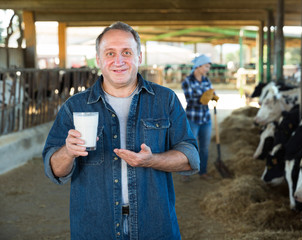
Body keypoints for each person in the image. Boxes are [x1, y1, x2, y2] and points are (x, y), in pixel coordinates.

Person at [42, 21, 200, 240]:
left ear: (139, 57)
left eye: (126, 52)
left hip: (154, 225)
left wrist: (151, 160)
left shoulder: (165, 100)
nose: (118, 61)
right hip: (95, 228)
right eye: (109, 53)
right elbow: (54, 169)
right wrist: (68, 151)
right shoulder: (75, 106)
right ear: (98, 60)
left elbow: (190, 157)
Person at [181, 54, 218, 181]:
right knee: (190, 146)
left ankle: (203, 172)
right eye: (206, 66)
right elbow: (190, 100)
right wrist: (204, 98)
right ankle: (186, 172)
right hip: (192, 118)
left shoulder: (206, 80)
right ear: (199, 66)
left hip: (205, 119)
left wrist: (213, 97)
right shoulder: (187, 81)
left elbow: (212, 93)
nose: (208, 69)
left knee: (204, 147)